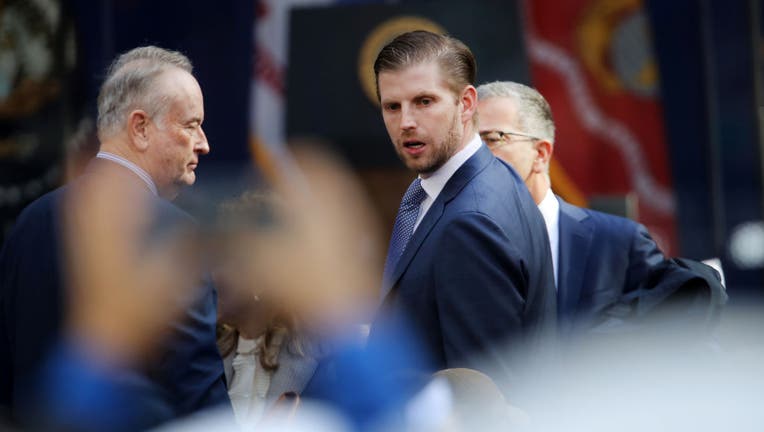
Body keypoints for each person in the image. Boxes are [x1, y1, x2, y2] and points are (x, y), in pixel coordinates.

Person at [0, 46, 228, 430]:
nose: (204, 143)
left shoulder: (28, 222)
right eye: (191, 124)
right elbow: (202, 404)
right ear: (140, 128)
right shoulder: (173, 233)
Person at [367, 31, 557, 385]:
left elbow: (482, 396)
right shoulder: (491, 178)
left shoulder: (471, 221)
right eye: (392, 106)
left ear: (467, 104)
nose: (406, 120)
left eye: (424, 101)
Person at [475, 81, 724, 335]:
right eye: (470, 145)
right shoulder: (452, 241)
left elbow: (678, 324)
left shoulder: (617, 241)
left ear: (540, 153)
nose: (476, 157)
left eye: (492, 139)